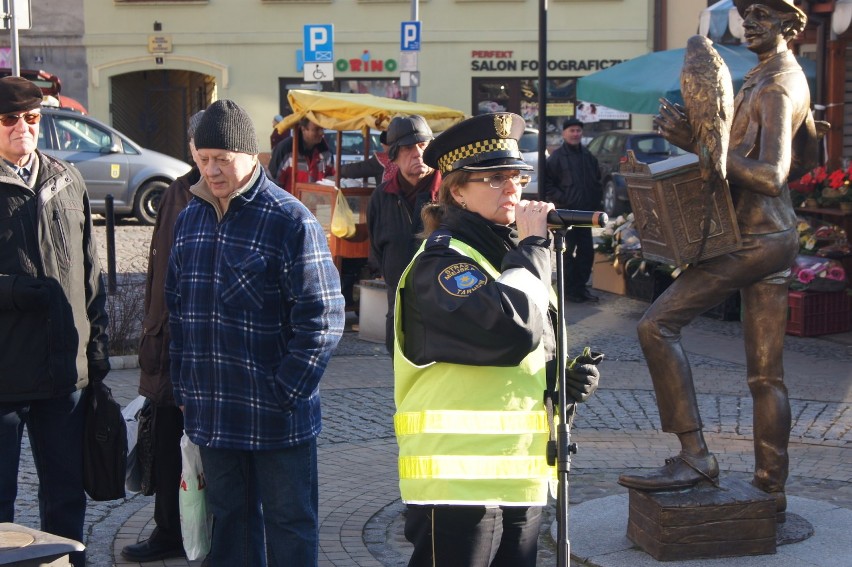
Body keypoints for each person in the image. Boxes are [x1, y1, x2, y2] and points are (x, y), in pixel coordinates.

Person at [618, 0, 817, 524]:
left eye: (763, 17)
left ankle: (695, 458)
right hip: (768, 232)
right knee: (765, 376)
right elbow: (811, 155)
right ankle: (770, 489)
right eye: (746, 14)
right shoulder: (772, 76)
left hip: (756, 238)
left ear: (790, 26)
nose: (749, 23)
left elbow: (772, 175)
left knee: (657, 325)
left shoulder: (776, 84)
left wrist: (702, 146)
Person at [394, 112, 601, 566]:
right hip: (456, 485)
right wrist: (532, 248)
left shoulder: (511, 258)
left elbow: (525, 353)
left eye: (518, 175)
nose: (512, 188)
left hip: (520, 475)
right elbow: (509, 330)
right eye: (494, 178)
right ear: (457, 190)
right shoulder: (443, 264)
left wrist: (560, 382)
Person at [165, 99, 346, 565]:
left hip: (277, 416)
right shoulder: (191, 219)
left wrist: (286, 390)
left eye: (222, 159)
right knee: (230, 521)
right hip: (215, 412)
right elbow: (179, 311)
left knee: (289, 524)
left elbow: (322, 317)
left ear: (251, 156)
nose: (211, 170)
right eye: (203, 160)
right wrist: (185, 388)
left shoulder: (289, 220)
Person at [0, 76, 110, 567]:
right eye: (9, 120)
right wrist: (16, 290)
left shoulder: (66, 177)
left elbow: (90, 273)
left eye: (31, 118)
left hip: (65, 372)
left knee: (65, 494)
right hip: (3, 374)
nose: (22, 128)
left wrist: (98, 351)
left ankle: (67, 562)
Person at [120, 110, 205, 563]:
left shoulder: (215, 195)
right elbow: (158, 274)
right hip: (165, 343)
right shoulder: (176, 191)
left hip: (199, 349)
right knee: (168, 447)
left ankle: (206, 534)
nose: (201, 153)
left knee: (205, 451)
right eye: (195, 143)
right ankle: (169, 531)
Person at [366, 115, 441, 352]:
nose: (417, 153)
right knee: (399, 359)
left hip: (443, 305)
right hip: (398, 301)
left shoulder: (450, 192)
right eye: (409, 148)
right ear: (395, 156)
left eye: (423, 146)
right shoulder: (381, 196)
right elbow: (377, 249)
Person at [543, 117, 603, 303]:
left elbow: (596, 181)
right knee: (566, 252)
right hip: (566, 215)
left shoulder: (588, 156)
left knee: (587, 252)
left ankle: (580, 287)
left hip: (585, 215)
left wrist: (596, 202)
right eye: (572, 131)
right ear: (564, 134)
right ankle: (568, 290)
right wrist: (563, 199)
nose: (575, 134)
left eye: (578, 131)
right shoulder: (557, 158)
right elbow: (547, 186)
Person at [267, 116, 334, 193]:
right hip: (289, 203)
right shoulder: (285, 150)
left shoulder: (326, 151)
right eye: (316, 129)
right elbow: (271, 183)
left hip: (316, 203)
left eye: (322, 129)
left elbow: (330, 179)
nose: (321, 133)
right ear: (303, 129)